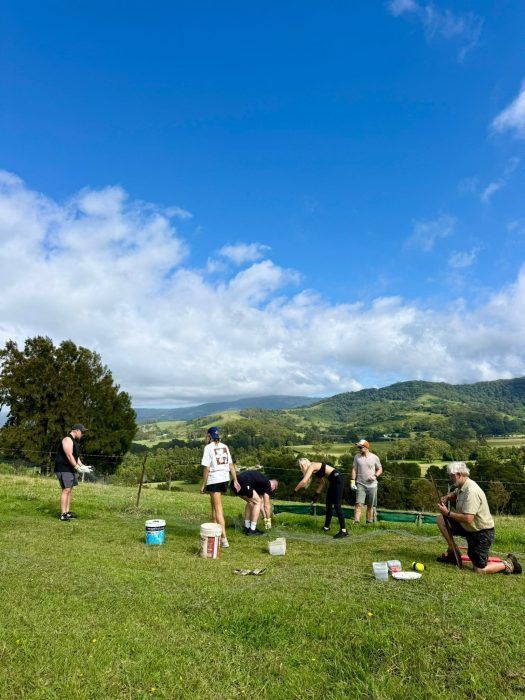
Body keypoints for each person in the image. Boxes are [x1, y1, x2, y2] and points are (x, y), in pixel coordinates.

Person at [436, 461, 521, 575]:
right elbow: (456, 494)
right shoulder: (463, 486)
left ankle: (509, 564)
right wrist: (447, 497)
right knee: (441, 519)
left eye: (452, 476)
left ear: (460, 474)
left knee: (479, 569)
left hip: (481, 533)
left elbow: (468, 518)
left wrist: (448, 513)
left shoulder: (471, 491)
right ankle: (453, 553)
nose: (450, 478)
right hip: (468, 528)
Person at [200, 426, 240, 548]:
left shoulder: (208, 448)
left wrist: (203, 484)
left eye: (207, 436)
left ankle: (224, 539)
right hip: (224, 479)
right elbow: (231, 465)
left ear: (210, 436)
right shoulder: (225, 446)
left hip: (214, 480)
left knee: (218, 509)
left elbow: (206, 468)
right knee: (213, 504)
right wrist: (235, 480)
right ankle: (215, 530)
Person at [295, 458, 348, 538]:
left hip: (338, 480)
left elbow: (304, 481)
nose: (301, 469)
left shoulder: (312, 466)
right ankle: (326, 527)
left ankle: (343, 531)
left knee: (337, 506)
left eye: (301, 467)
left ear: (303, 465)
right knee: (328, 504)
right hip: (333, 482)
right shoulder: (314, 469)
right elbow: (322, 483)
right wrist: (315, 496)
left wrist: (294, 491)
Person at [54, 423, 92, 521]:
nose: (83, 434)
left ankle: (67, 513)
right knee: (66, 490)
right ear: (76, 430)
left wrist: (82, 466)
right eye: (82, 432)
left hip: (69, 468)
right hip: (63, 468)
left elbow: (76, 456)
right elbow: (69, 455)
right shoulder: (67, 439)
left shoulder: (74, 441)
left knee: (69, 490)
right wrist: (76, 467)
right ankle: (63, 515)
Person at [230, 469, 278, 535]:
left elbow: (261, 504)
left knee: (251, 502)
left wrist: (265, 518)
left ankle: (247, 527)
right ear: (273, 486)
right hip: (243, 483)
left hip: (234, 484)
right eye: (272, 490)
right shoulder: (268, 485)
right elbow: (266, 505)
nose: (271, 491)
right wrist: (268, 521)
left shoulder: (261, 484)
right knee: (257, 502)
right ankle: (252, 530)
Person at [351, 439, 382, 524]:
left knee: (370, 506)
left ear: (366, 447)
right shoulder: (357, 457)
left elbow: (380, 469)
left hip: (372, 485)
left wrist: (375, 476)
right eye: (358, 447)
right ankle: (356, 522)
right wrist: (352, 481)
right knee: (358, 504)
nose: (359, 448)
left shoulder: (374, 457)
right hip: (360, 484)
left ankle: (369, 522)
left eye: (360, 447)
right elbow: (354, 469)